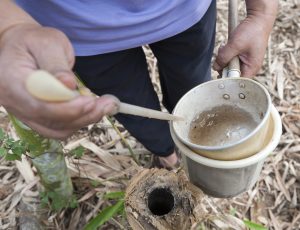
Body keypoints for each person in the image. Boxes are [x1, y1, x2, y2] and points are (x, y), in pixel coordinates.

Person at [0, 0, 278, 168]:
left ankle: (186, 150)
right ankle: (166, 152)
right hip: (78, 32)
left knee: (194, 87)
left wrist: (261, 12)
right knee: (132, 107)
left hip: (186, 11)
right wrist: (8, 29)